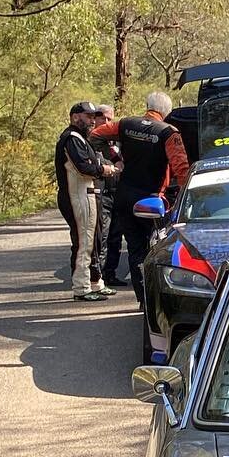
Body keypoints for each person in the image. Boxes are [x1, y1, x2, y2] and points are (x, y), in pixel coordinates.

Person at [89, 92, 189, 310]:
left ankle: (143, 300)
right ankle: (154, 300)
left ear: (147, 106)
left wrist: (115, 158)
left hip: (124, 196)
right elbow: (181, 167)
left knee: (135, 249)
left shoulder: (126, 124)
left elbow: (96, 135)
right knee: (157, 249)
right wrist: (185, 196)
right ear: (167, 112)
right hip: (151, 201)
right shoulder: (168, 132)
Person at [53, 101, 116, 301]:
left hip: (88, 193)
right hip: (77, 194)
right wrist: (102, 170)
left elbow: (92, 162)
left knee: (95, 240)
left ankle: (96, 282)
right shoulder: (71, 138)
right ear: (75, 117)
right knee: (84, 241)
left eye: (92, 116)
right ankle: (81, 287)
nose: (91, 120)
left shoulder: (82, 138)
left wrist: (99, 165)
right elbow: (83, 167)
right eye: (88, 116)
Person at [90, 103, 124, 286]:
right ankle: (98, 276)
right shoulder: (89, 141)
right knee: (101, 236)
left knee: (116, 237)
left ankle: (110, 273)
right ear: (95, 118)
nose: (105, 121)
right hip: (100, 194)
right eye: (102, 117)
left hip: (118, 194)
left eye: (109, 118)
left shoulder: (118, 141)